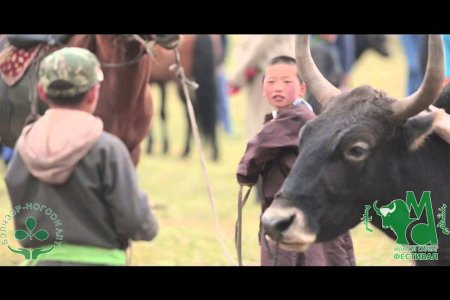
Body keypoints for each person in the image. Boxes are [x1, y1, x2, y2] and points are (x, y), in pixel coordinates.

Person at [4, 47, 158, 266]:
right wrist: (145, 214)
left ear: (42, 92)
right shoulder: (108, 149)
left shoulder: (24, 146)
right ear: (94, 92)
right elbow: (137, 223)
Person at [236, 55, 355, 266]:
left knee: (303, 257)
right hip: (307, 208)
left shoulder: (295, 117)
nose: (278, 88)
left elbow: (257, 148)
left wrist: (246, 173)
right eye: (271, 82)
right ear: (262, 89)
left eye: (286, 82)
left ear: (302, 89)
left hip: (295, 211)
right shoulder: (289, 117)